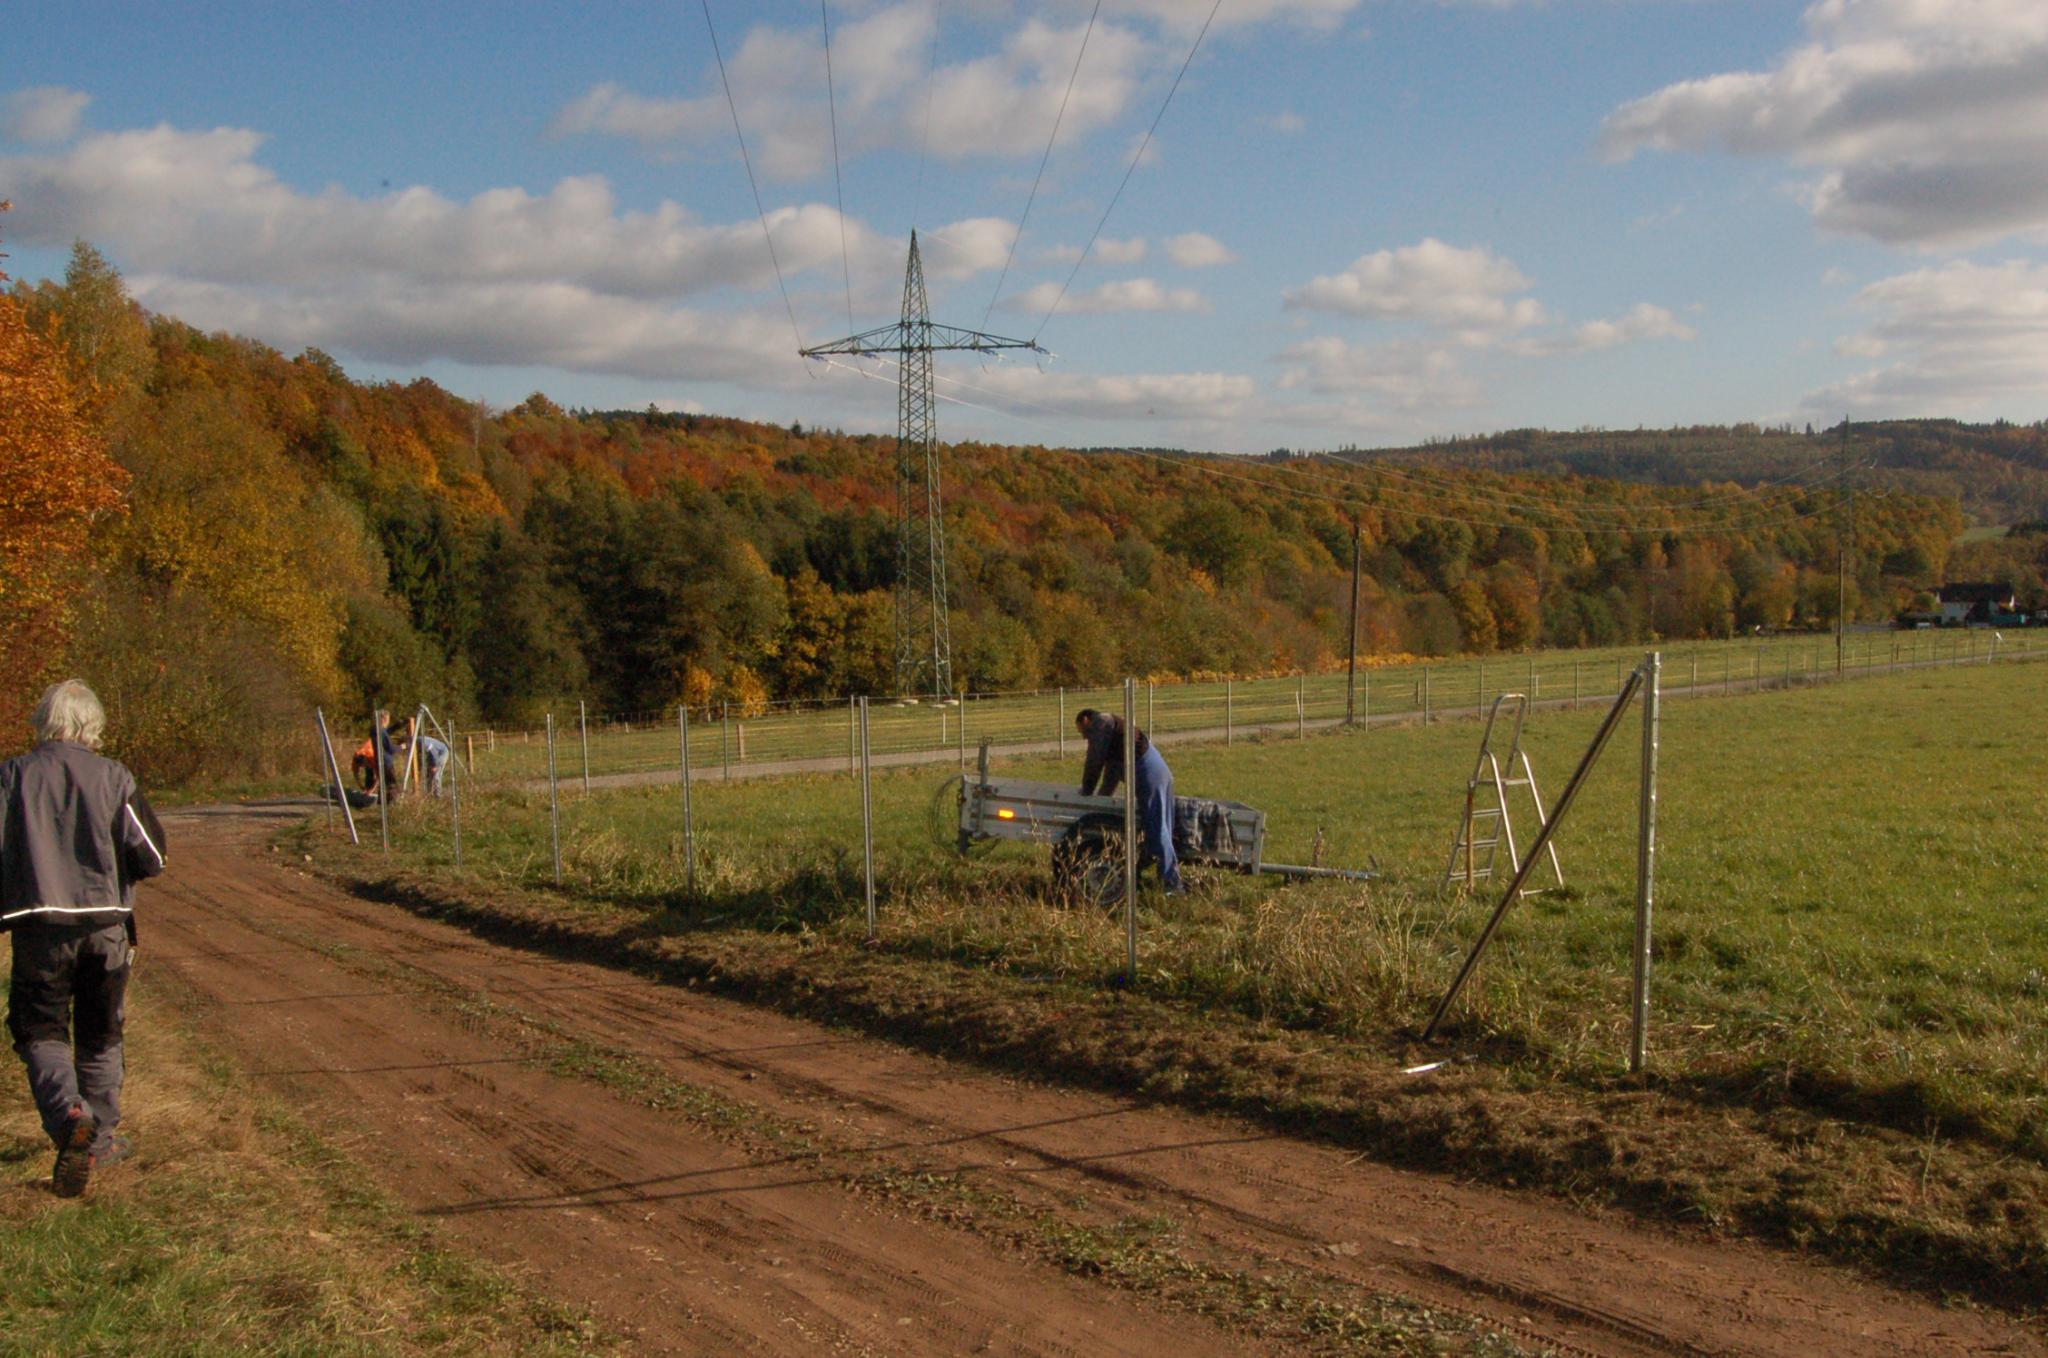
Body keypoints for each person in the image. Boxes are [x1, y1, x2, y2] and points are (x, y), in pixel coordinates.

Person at [1, 679, 166, 1197]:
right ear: (93, 723)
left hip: (39, 927)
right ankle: (101, 1137)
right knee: (101, 1031)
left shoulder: (12, 776)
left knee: (41, 1029)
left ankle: (68, 1114)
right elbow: (152, 857)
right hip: (106, 929)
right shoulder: (114, 777)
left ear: (43, 720)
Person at [1074, 708, 1183, 894]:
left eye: (1082, 731)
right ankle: (1165, 878)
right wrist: (1099, 801)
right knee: (1160, 827)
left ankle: (1172, 884)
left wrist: (1086, 789)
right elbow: (1111, 774)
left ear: (1086, 719)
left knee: (1158, 828)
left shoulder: (1102, 722)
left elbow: (1095, 759)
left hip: (1148, 772)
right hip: (1155, 769)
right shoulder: (1113, 734)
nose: (1085, 737)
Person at [414, 731, 449, 797]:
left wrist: (434, 765)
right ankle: (429, 793)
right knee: (429, 774)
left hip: (442, 753)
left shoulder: (423, 743)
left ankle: (438, 795)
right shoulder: (417, 741)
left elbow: (433, 753)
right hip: (433, 754)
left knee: (436, 774)